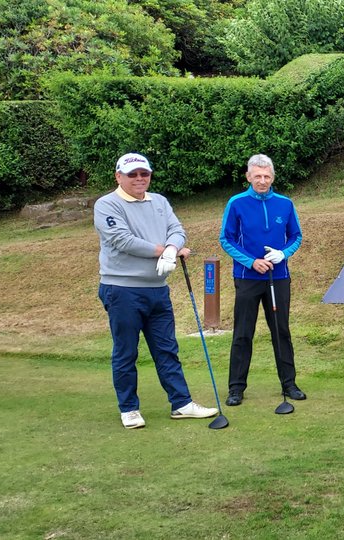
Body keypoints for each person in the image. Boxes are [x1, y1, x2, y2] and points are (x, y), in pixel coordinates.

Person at [94, 152, 219, 429]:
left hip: (157, 289)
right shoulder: (107, 204)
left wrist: (173, 248)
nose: (139, 179)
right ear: (119, 177)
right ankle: (129, 408)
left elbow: (177, 229)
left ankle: (181, 403)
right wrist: (163, 252)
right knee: (126, 352)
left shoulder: (160, 201)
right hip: (122, 289)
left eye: (144, 174)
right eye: (132, 174)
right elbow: (122, 240)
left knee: (166, 349)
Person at [220, 154, 305, 406]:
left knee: (281, 331)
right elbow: (227, 239)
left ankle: (289, 384)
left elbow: (296, 236)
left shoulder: (285, 203)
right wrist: (251, 261)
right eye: (257, 176)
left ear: (273, 177)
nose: (262, 180)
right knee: (243, 333)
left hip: (278, 276)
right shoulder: (236, 203)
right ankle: (236, 388)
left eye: (267, 176)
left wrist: (284, 253)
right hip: (247, 276)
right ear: (248, 176)